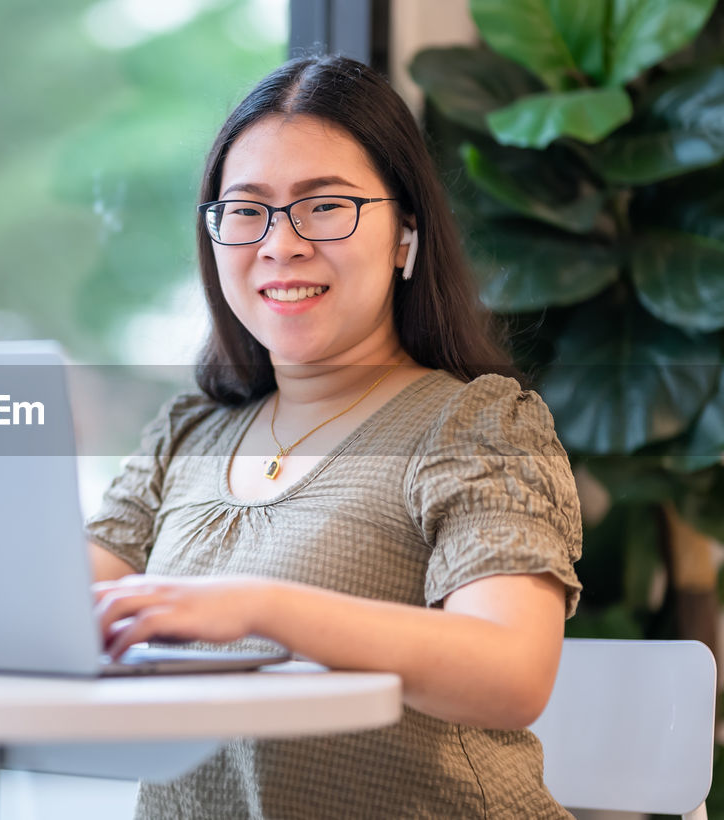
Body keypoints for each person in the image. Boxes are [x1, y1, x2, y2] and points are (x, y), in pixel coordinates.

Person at [86, 55, 582, 819]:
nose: (280, 244)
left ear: (405, 235)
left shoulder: (476, 424)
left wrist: (258, 608)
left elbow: (513, 674)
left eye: (325, 207)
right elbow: (51, 605)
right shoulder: (188, 433)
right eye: (246, 210)